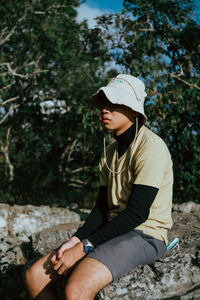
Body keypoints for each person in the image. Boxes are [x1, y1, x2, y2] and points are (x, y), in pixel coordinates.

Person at [25, 74, 173, 300]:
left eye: (114, 104)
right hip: (114, 230)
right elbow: (102, 208)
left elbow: (137, 213)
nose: (105, 109)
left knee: (76, 289)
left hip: (146, 234)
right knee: (35, 275)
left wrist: (84, 247)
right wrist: (75, 241)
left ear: (134, 111)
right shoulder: (110, 152)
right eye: (104, 104)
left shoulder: (151, 148)